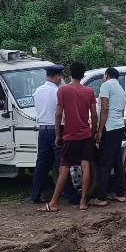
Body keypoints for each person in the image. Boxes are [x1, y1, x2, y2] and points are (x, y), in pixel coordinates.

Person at [41, 62, 107, 212]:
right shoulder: (89, 91)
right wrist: (94, 131)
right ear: (83, 75)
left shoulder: (63, 90)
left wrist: (58, 134)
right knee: (85, 166)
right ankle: (83, 201)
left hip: (70, 136)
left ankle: (53, 203)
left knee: (64, 168)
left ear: (70, 74)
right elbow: (94, 114)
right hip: (85, 134)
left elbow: (58, 114)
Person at [30, 65, 77, 205]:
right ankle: (71, 195)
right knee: (62, 163)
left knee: (41, 164)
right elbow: (61, 113)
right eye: (60, 77)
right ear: (57, 76)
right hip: (56, 129)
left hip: (42, 129)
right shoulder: (58, 92)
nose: (61, 79)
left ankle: (35, 194)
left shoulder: (37, 91)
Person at [95, 67, 126, 204]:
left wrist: (100, 129)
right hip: (119, 127)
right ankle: (120, 193)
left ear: (106, 75)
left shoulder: (105, 85)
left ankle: (101, 197)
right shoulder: (121, 90)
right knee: (117, 162)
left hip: (109, 127)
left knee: (105, 163)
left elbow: (104, 108)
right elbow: (121, 111)